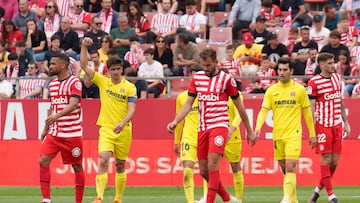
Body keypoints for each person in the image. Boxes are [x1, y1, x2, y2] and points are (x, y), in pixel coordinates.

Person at [167, 48, 256, 203]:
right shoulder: (198, 79)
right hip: (202, 128)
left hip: (219, 126)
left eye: (208, 65)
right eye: (203, 66)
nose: (206, 69)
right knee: (204, 171)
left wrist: (249, 130)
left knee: (213, 165)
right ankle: (228, 198)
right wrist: (176, 121)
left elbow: (239, 106)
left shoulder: (226, 80)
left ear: (216, 62)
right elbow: (188, 104)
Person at [80, 37, 137, 203]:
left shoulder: (129, 87)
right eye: (113, 69)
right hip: (106, 129)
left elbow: (132, 109)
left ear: (122, 70)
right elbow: (84, 65)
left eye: (119, 69)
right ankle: (99, 197)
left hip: (124, 130)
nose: (116, 72)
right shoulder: (103, 81)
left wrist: (123, 122)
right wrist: (84, 46)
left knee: (120, 165)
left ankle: (118, 198)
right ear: (108, 70)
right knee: (103, 160)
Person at [255, 57, 317, 203]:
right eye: (280, 70)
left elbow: (307, 113)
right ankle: (292, 200)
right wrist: (258, 128)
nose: (281, 73)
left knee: (290, 167)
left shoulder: (299, 90)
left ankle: (286, 199)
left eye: (285, 70)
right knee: (285, 170)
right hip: (278, 135)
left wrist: (312, 134)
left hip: (294, 134)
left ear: (291, 71)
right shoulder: (271, 90)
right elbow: (264, 110)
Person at [39, 53, 84, 203]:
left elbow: (73, 104)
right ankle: (46, 200)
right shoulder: (52, 84)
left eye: (53, 64)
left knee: (77, 166)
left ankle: (78, 201)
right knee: (43, 161)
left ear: (63, 65)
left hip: (72, 133)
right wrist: (46, 127)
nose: (50, 66)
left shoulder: (74, 82)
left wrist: (56, 116)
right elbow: (53, 106)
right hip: (55, 133)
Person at [307, 53, 351, 203]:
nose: (334, 65)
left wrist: (346, 122)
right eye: (330, 63)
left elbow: (340, 101)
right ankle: (332, 196)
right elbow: (311, 109)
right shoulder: (314, 83)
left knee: (335, 161)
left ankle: (317, 190)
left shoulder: (337, 78)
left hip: (337, 124)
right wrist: (312, 131)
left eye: (333, 62)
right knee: (326, 158)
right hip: (322, 124)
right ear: (322, 65)